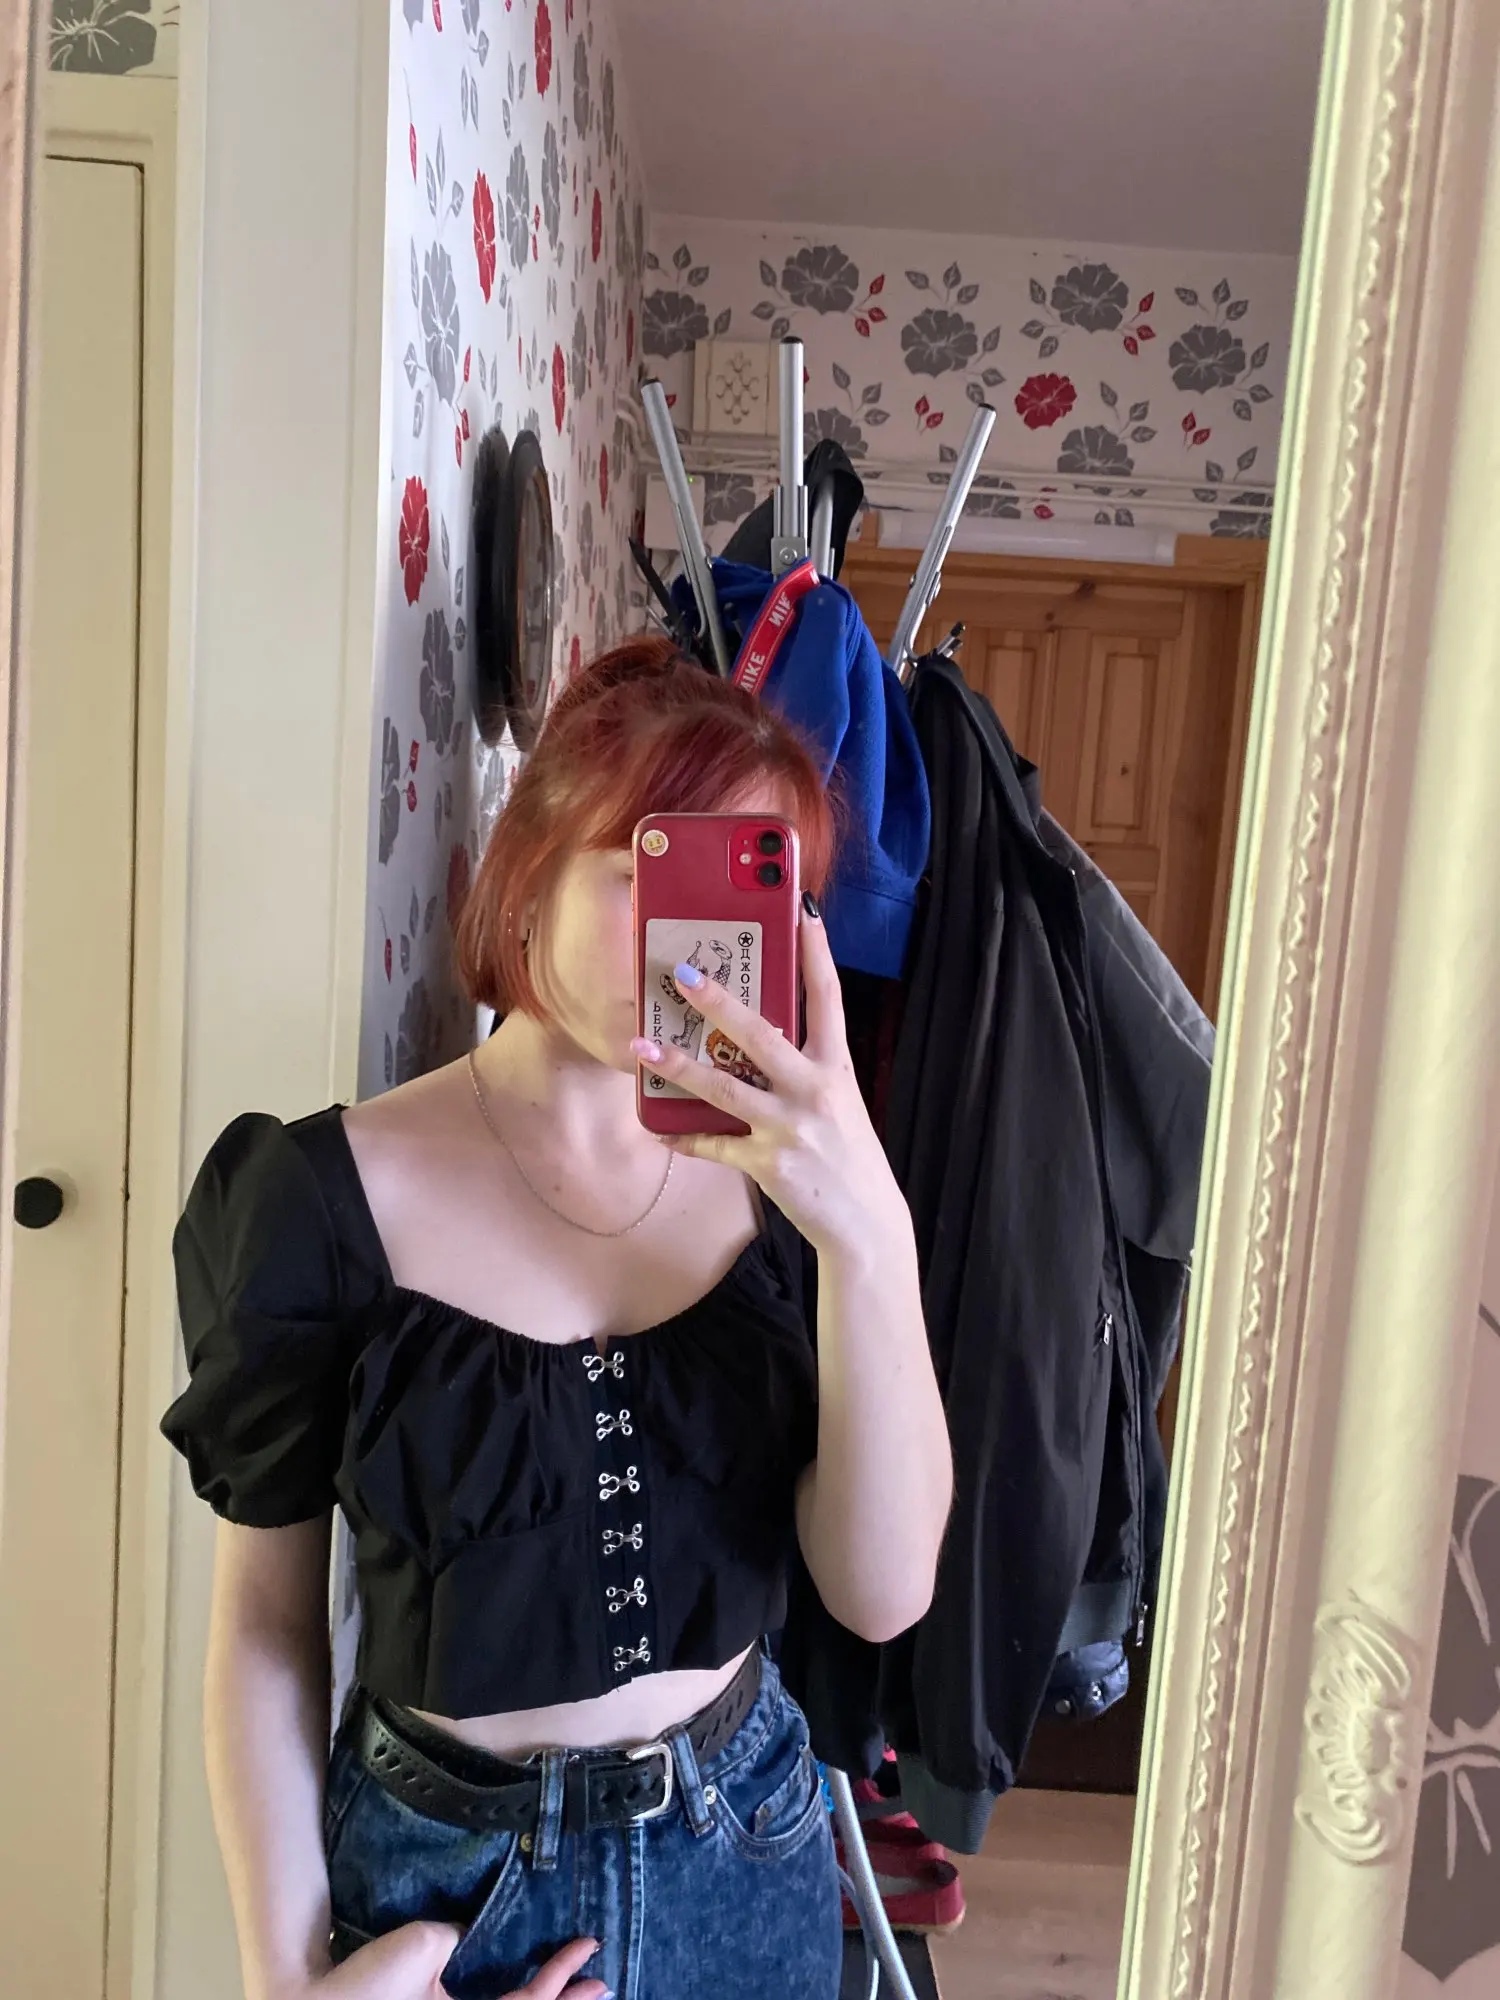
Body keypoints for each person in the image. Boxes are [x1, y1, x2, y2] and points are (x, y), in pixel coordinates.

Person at [161, 637, 953, 2000]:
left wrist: (872, 1239)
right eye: (654, 868)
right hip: (446, 1889)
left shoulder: (802, 1195)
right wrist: (283, 1976)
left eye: (749, 886)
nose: (695, 943)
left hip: (748, 1852)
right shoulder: (314, 1202)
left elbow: (879, 1592)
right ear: (527, 874)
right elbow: (263, 1631)